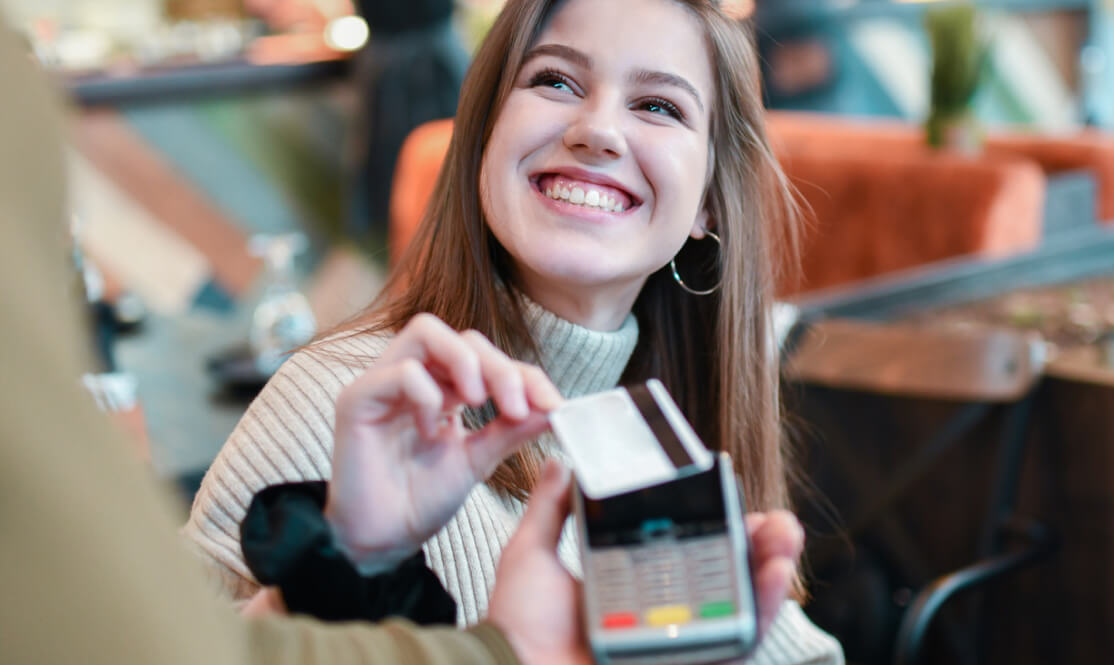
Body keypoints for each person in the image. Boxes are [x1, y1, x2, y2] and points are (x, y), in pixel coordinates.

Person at [0, 29, 808, 665]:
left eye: (660, 107)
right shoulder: (346, 400)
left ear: (710, 201)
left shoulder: (684, 426)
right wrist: (340, 561)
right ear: (484, 136)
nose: (597, 128)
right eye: (554, 80)